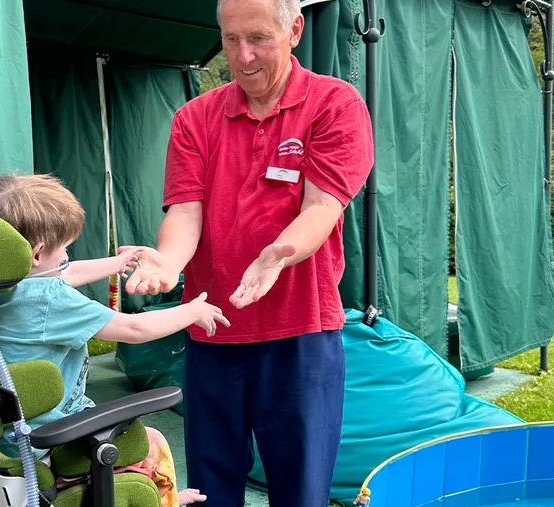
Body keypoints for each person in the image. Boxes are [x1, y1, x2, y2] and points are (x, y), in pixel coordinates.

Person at [123, 0, 375, 505]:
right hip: (211, 323)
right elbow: (186, 211)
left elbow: (322, 207)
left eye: (258, 38)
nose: (243, 55)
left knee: (300, 486)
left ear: (295, 29)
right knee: (210, 487)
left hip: (301, 327)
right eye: (231, 39)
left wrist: (277, 254)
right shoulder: (195, 117)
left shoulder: (335, 104)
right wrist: (169, 263)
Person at [0, 173, 225, 506]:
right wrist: (191, 311)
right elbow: (134, 330)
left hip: (9, 438)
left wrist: (119, 263)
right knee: (150, 440)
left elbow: (64, 272)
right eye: (65, 248)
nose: (68, 256)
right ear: (37, 254)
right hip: (54, 440)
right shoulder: (48, 300)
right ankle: (159, 500)